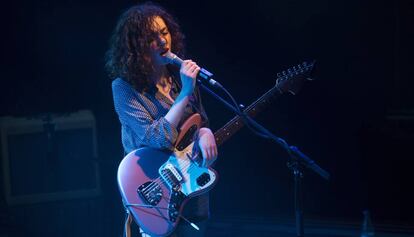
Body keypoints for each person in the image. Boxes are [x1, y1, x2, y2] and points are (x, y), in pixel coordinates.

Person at [105, 2, 217, 236]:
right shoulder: (124, 88)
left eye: (164, 32)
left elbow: (199, 121)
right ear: (136, 46)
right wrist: (186, 92)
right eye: (152, 37)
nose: (163, 41)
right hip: (152, 193)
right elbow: (157, 137)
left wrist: (205, 132)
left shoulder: (180, 78)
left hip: (192, 190)